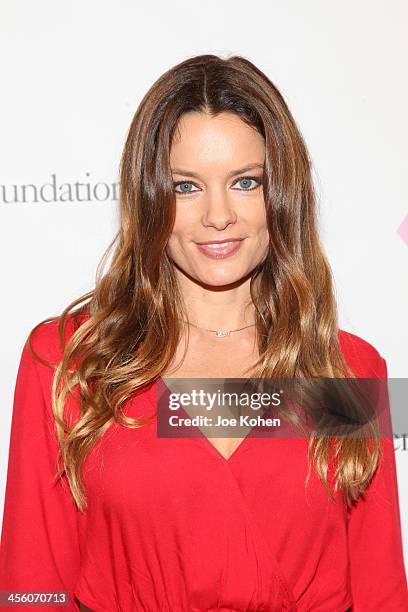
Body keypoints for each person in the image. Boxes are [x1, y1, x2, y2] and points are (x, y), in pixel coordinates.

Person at [0, 53, 407, 612]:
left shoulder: (348, 371)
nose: (218, 215)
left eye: (245, 182)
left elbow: (381, 592)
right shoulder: (70, 361)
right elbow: (32, 587)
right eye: (185, 186)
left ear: (283, 194)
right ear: (148, 198)